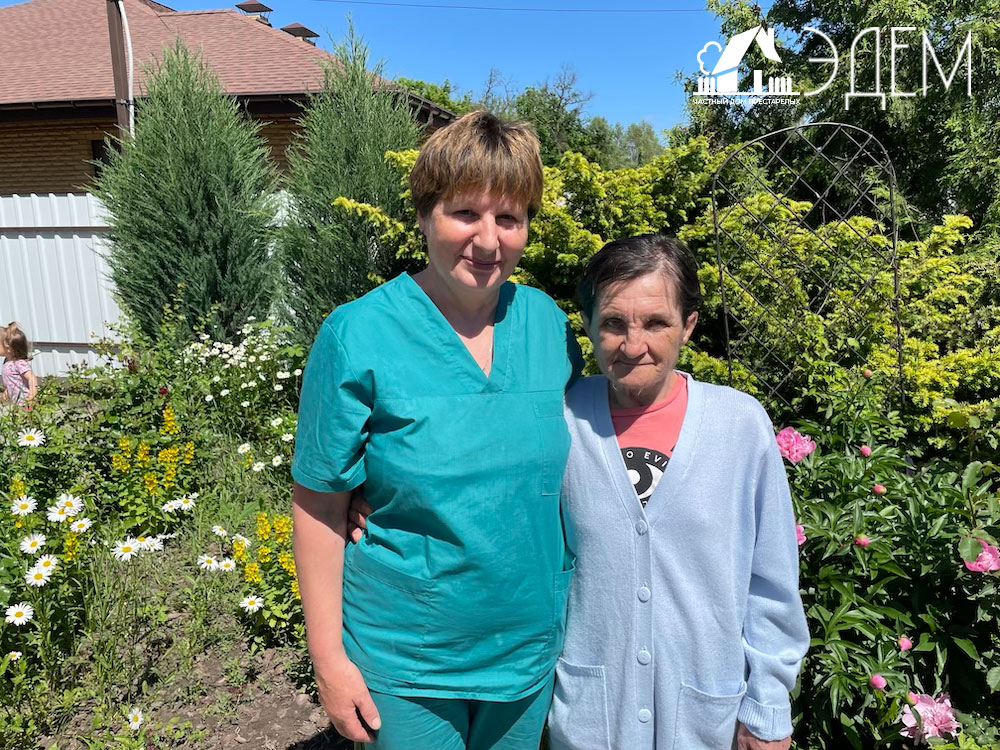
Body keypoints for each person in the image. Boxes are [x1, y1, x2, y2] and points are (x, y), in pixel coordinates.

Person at [291, 111, 582, 750]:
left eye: (510, 218)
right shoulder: (356, 334)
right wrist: (329, 661)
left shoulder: (548, 327)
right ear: (425, 215)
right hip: (407, 659)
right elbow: (319, 505)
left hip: (526, 650)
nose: (489, 239)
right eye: (465, 213)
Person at [548, 234, 809, 750]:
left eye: (656, 323)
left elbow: (771, 581)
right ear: (588, 325)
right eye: (613, 323)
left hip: (704, 721)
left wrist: (768, 706)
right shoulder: (562, 421)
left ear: (688, 325)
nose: (633, 345)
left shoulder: (738, 426)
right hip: (591, 720)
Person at [1, 322, 38, 407]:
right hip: (17, 402)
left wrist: (32, 395)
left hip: (26, 401)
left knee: (27, 416)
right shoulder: (7, 361)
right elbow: (14, 380)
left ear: (8, 347)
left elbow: (32, 378)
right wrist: (7, 390)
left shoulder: (19, 363)